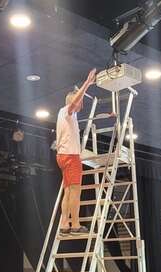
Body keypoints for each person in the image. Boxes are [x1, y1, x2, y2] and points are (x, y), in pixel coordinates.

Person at [55, 68, 96, 236]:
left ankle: (64, 224)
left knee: (68, 190)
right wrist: (87, 83)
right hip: (70, 157)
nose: (81, 103)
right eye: (80, 100)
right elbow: (74, 103)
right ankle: (75, 224)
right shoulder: (67, 111)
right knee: (75, 190)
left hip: (63, 156)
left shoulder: (66, 114)